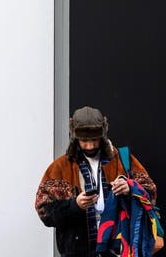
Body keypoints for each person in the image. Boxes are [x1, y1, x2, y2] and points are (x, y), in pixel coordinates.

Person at [34, 106, 157, 257]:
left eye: (94, 139)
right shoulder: (61, 167)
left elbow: (150, 190)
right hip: (79, 252)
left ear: (102, 136)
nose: (90, 145)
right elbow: (44, 211)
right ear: (75, 137)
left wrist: (130, 188)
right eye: (84, 140)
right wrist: (75, 205)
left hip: (119, 250)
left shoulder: (121, 160)